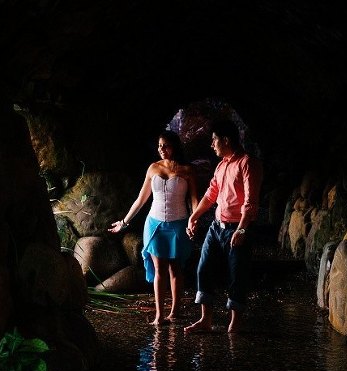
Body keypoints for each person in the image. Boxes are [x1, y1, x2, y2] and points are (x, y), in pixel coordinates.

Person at [109, 130, 198, 325]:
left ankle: (175, 311)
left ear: (174, 146)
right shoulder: (153, 168)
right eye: (159, 146)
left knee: (175, 268)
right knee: (159, 269)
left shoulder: (187, 170)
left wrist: (194, 220)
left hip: (178, 222)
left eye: (166, 145)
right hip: (154, 223)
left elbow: (193, 200)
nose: (162, 149)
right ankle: (159, 315)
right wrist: (124, 222)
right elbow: (141, 200)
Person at [184, 119, 263, 334]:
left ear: (226, 140)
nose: (212, 145)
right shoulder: (221, 165)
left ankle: (235, 323)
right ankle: (205, 320)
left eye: (214, 140)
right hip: (216, 226)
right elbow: (211, 194)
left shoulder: (247, 163)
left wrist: (243, 229)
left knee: (237, 274)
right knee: (203, 268)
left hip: (238, 227)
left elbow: (250, 201)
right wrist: (194, 216)